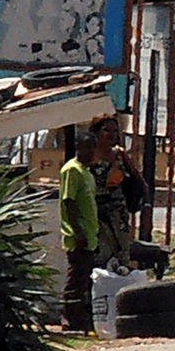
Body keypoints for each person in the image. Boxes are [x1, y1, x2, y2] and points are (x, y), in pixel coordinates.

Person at [88, 116, 149, 270]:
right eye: (106, 130)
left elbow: (140, 181)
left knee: (121, 249)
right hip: (95, 212)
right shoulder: (87, 156)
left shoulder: (119, 154)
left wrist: (144, 204)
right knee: (101, 252)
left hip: (117, 211)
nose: (112, 134)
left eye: (115, 131)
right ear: (95, 133)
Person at [60, 131, 100, 333]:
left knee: (84, 280)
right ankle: (69, 321)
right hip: (78, 237)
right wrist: (78, 231)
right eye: (88, 147)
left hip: (90, 236)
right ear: (79, 147)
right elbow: (69, 201)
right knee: (75, 280)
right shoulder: (72, 170)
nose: (92, 151)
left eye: (94, 147)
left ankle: (80, 320)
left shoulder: (87, 172)